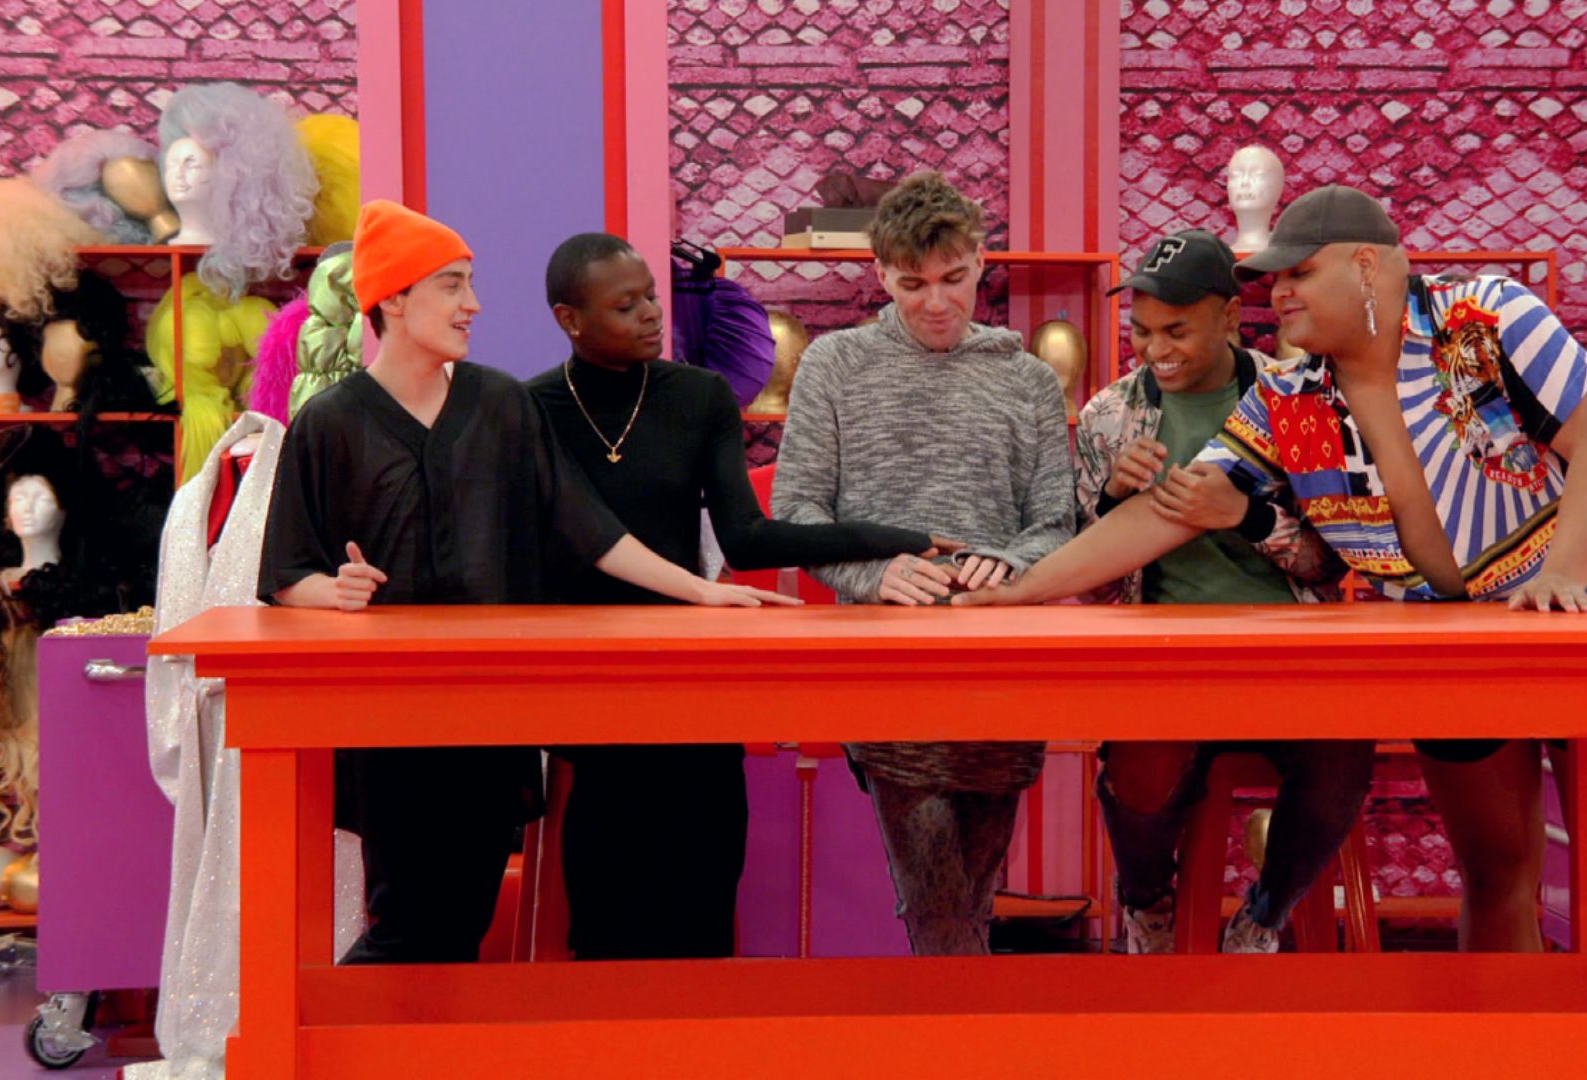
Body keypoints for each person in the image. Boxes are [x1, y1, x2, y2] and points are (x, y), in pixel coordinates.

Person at [962, 185, 1587, 968]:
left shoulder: (1486, 314)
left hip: (1579, 615)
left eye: (1299, 273)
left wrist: (1564, 575)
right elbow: (1161, 516)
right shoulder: (1289, 395)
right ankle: (1515, 1037)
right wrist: (1021, 587)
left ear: (1367, 265)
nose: (1279, 292)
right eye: (1275, 278)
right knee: (1495, 870)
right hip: (1448, 644)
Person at [259, 201, 794, 965]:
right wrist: (332, 591)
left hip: (488, 710)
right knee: (406, 925)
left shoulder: (499, 404)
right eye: (451, 285)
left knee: (465, 923)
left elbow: (585, 525)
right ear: (394, 300)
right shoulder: (329, 422)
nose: (472, 304)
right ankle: (347, 1032)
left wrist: (701, 589)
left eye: (470, 283)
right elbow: (285, 574)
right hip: (391, 717)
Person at [526, 232, 952, 959]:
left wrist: (890, 538)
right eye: (626, 306)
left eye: (651, 296)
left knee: (703, 887)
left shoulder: (699, 397)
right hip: (594, 683)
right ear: (570, 318)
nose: (652, 314)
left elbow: (747, 538)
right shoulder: (529, 409)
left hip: (691, 673)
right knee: (605, 908)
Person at [770, 170, 1075, 955]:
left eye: (953, 278)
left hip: (1003, 670)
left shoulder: (1029, 380)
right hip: (886, 665)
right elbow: (796, 512)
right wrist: (874, 573)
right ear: (880, 274)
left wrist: (1009, 565)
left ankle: (953, 1019)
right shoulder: (835, 366)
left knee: (967, 902)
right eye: (912, 284)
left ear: (981, 263)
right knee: (938, 903)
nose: (936, 302)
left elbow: (1056, 526)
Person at [1076, 228, 1369, 954]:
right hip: (1160, 658)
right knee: (1139, 772)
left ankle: (1262, 918)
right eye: (1142, 331)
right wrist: (1113, 504)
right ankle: (1148, 905)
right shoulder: (1109, 416)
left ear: (1231, 318)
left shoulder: (1296, 399)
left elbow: (1329, 567)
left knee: (1342, 758)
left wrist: (1247, 516)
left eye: (1176, 331)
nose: (1155, 350)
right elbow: (1092, 591)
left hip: (1286, 655)